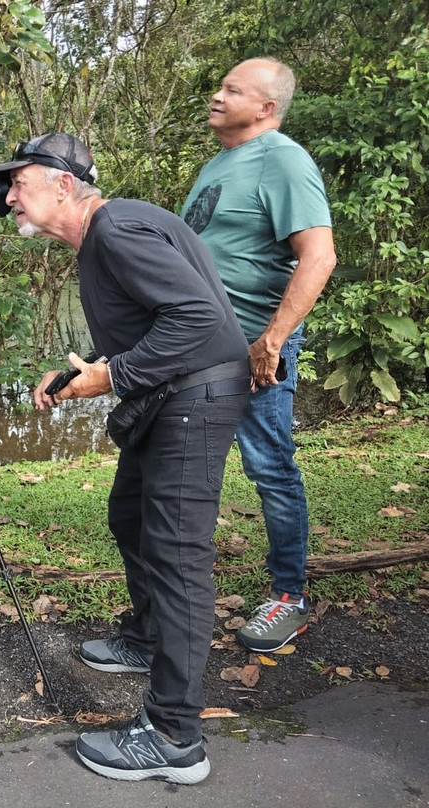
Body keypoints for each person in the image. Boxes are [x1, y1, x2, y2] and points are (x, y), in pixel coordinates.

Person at [0, 133, 250, 784]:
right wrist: (87, 368)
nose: (8, 196)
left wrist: (113, 377)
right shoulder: (117, 228)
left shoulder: (116, 232)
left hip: (196, 397)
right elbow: (156, 320)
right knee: (130, 516)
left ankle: (173, 738)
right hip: (177, 394)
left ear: (64, 185)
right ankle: (147, 637)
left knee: (177, 557)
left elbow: (199, 323)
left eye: (19, 182)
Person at [182, 58, 337, 653]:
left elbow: (318, 256)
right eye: (219, 85)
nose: (216, 95)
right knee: (190, 468)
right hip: (203, 344)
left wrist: (270, 341)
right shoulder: (221, 163)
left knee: (269, 467)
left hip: (253, 345)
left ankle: (290, 597)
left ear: (266, 107)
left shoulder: (284, 160)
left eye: (232, 90)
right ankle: (179, 601)